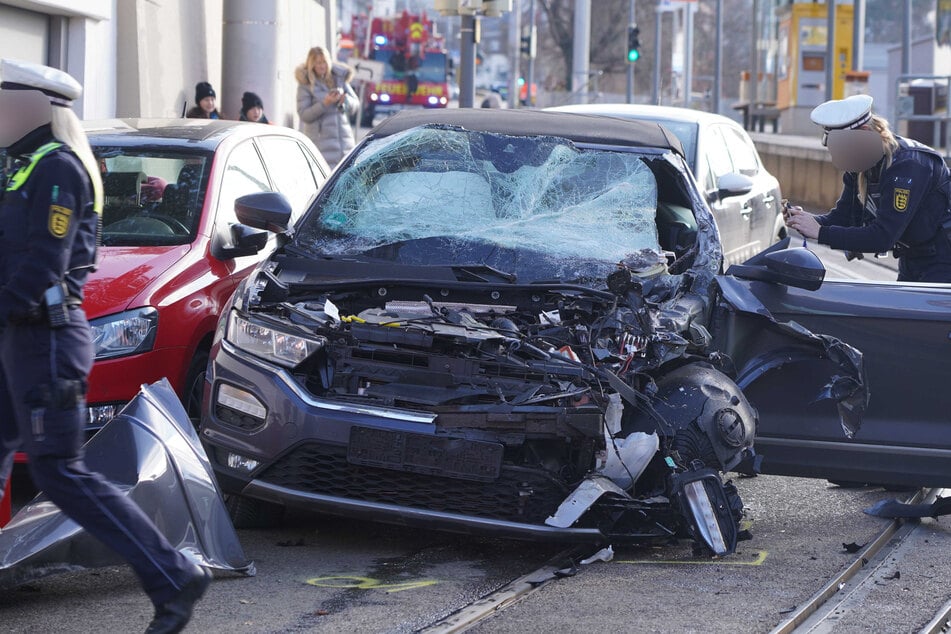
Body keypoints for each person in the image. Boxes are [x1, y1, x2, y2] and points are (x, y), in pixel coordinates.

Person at [0, 59, 211, 633]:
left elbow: (44, 265)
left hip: (45, 341)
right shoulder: (22, 165)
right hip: (17, 338)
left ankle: (173, 573)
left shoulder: (59, 168)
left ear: (33, 106)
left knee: (60, 473)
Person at [784, 94, 951, 282]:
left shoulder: (907, 166)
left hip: (943, 259)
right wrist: (806, 221)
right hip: (913, 257)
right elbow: (843, 217)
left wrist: (820, 232)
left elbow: (882, 237)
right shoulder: (862, 164)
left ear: (864, 132)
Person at [295, 46, 358, 168]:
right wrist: (325, 103)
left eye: (324, 62)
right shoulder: (306, 85)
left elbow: (356, 105)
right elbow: (304, 115)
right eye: (318, 63)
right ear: (311, 64)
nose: (322, 66)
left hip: (344, 145)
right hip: (320, 147)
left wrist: (345, 101)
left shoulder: (339, 79)